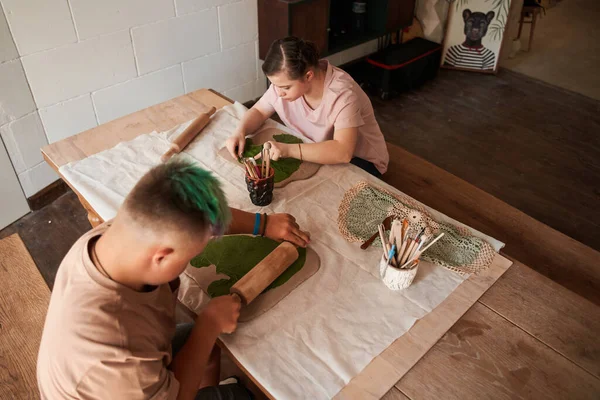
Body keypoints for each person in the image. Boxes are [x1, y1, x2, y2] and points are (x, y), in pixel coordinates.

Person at [37, 159, 310, 399]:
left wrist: (262, 224)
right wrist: (208, 325)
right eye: (194, 252)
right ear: (161, 257)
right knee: (238, 394)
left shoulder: (121, 234)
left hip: (131, 370)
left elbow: (201, 215)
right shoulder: (118, 354)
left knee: (208, 350)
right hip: (118, 383)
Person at [225, 36, 389, 177]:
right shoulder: (283, 84)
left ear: (308, 75)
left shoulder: (343, 95)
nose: (278, 92)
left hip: (361, 160)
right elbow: (259, 111)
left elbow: (343, 151)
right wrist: (241, 131)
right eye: (274, 85)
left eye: (285, 87)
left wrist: (287, 150)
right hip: (315, 146)